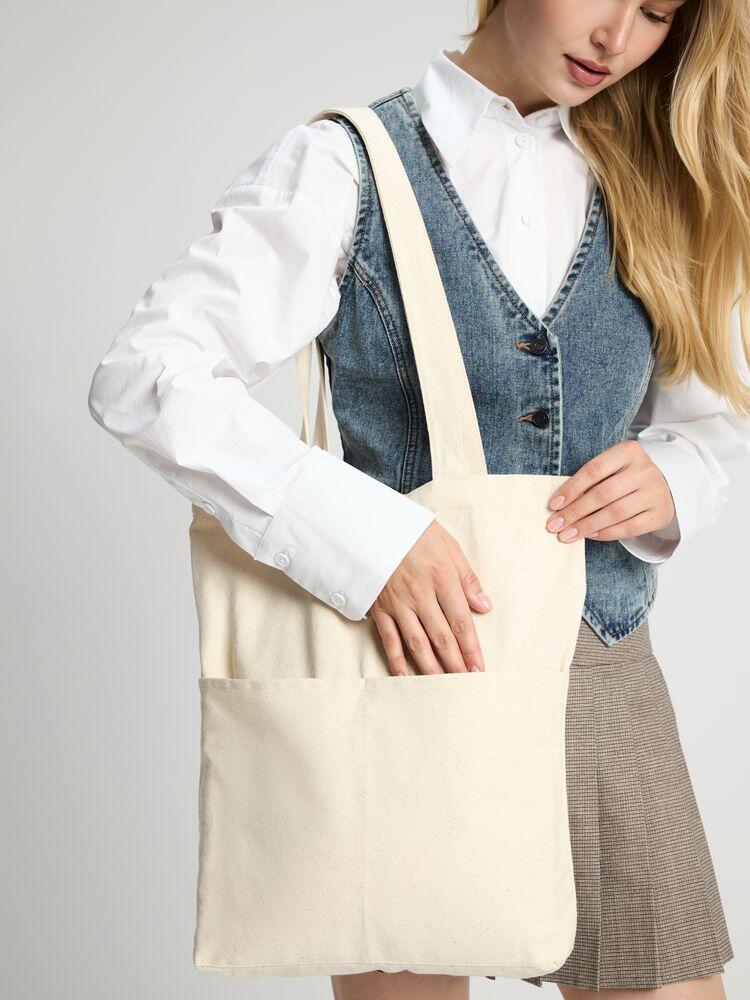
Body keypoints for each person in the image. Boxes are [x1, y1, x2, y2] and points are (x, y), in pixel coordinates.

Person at [88, 1, 750, 997]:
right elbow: (148, 373)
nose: (617, 35)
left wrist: (676, 475)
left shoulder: (659, 183)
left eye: (657, 12)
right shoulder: (342, 166)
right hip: (408, 661)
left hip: (596, 661)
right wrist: (367, 540)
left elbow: (712, 425)